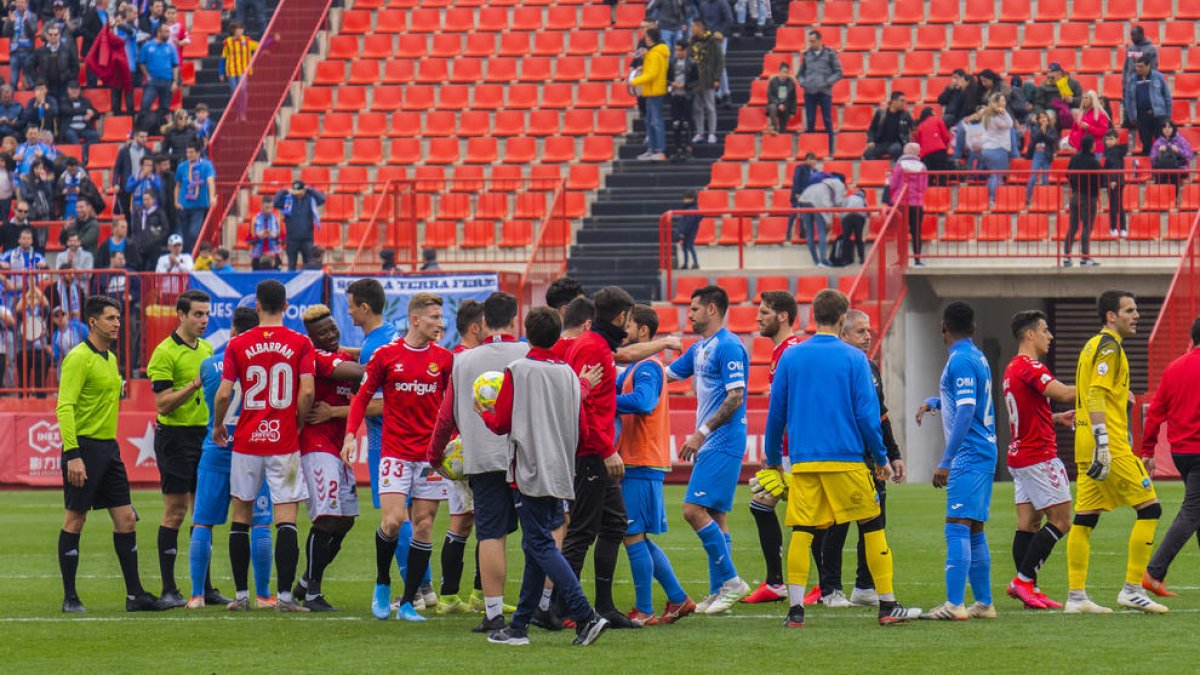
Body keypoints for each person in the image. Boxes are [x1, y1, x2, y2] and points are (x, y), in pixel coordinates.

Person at [764, 289, 915, 627]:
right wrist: (881, 457)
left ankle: (795, 611)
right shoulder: (854, 359)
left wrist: (773, 457)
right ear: (843, 318)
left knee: (802, 531)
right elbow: (867, 415)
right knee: (872, 526)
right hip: (846, 459)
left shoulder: (791, 356)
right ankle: (887, 605)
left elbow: (776, 414)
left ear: (812, 316)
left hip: (804, 462)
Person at [477, 307, 611, 647]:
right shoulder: (568, 374)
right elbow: (581, 426)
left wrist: (484, 414)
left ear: (527, 332)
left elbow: (502, 423)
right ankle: (519, 626)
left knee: (539, 544)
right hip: (561, 467)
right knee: (536, 545)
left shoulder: (518, 370)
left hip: (530, 468)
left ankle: (585, 615)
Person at [343, 293, 453, 623]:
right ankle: (382, 582)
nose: (440, 323)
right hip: (395, 454)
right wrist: (350, 435)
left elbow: (452, 406)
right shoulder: (386, 356)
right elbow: (361, 399)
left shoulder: (444, 359)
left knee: (424, 526)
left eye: (441, 317)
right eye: (434, 317)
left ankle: (407, 603)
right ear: (415, 320)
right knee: (393, 522)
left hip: (430, 457)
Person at [211, 279, 316, 613]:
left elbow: (224, 394)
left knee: (241, 516)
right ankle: (284, 597)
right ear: (286, 306)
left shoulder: (238, 343)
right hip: (284, 441)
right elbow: (308, 391)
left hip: (246, 441)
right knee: (286, 518)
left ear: (256, 306)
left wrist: (218, 424)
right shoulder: (301, 342)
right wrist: (298, 421)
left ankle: (241, 596)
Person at [428, 292, 529, 630]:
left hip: (483, 459)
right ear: (514, 319)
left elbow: (446, 416)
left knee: (490, 535)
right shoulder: (529, 354)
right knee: (538, 534)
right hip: (525, 457)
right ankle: (542, 605)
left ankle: (492, 612)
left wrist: (435, 455)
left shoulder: (463, 361)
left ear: (484, 322)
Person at [1065, 290, 1167, 614]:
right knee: (1150, 509)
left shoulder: (1091, 345)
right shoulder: (1110, 347)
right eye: (1129, 310)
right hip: (1108, 445)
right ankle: (1132, 589)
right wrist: (1103, 442)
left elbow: (1096, 392)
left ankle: (1076, 597)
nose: (1136, 316)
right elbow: (1095, 394)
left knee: (1084, 519)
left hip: (1085, 444)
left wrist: (1123, 401)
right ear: (1111, 316)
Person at [57, 296, 160, 613]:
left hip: (108, 449)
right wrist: (73, 454)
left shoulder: (110, 358)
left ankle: (135, 595)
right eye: (111, 318)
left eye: (118, 318)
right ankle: (70, 598)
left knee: (126, 519)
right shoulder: (78, 358)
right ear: (93, 322)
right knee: (76, 518)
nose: (118, 323)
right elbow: (65, 407)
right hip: (83, 449)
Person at [666, 285, 751, 613]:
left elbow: (735, 397)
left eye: (695, 308)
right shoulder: (700, 347)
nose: (689, 314)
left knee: (693, 510)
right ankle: (720, 591)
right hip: (714, 441)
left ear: (712, 309)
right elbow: (665, 375)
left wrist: (701, 434)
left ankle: (732, 581)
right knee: (716, 514)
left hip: (722, 440)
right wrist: (625, 373)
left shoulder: (728, 345)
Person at [559, 286, 640, 629]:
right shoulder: (593, 348)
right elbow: (584, 406)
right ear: (621, 316)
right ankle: (565, 608)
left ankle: (602, 606)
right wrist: (606, 450)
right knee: (582, 530)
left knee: (614, 523)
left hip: (594, 449)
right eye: (629, 318)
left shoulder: (597, 345)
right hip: (591, 452)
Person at [813, 309, 906, 607]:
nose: (868, 337)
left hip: (872, 459)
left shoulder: (871, 368)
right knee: (837, 524)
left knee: (875, 523)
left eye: (868, 331)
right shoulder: (836, 368)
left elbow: (881, 414)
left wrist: (893, 454)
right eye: (860, 331)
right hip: (845, 456)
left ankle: (865, 586)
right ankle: (830, 589)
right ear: (843, 335)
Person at [185, 306, 274, 609]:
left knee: (202, 522)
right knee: (259, 522)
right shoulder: (265, 363)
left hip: (217, 449)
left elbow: (216, 395)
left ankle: (196, 595)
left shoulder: (208, 365)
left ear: (233, 330)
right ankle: (263, 595)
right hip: (253, 449)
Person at [914, 301, 998, 621]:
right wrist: (934, 402)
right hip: (984, 448)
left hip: (969, 452)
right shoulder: (976, 356)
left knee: (957, 525)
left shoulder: (960, 360)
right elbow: (966, 402)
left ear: (943, 328)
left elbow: (966, 410)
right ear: (973, 328)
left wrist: (946, 460)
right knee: (974, 527)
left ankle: (954, 604)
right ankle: (984, 603)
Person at [617, 305, 695, 624]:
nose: (623, 332)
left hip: (641, 459)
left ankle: (644, 609)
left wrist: (604, 401)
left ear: (643, 331)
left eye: (628, 326)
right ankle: (678, 599)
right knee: (636, 535)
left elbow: (644, 401)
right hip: (638, 459)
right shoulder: (638, 365)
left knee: (632, 534)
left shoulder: (648, 366)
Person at [996, 310, 1075, 612]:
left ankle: (1031, 588)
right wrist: (1106, 391)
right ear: (1030, 334)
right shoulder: (1030, 366)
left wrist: (1055, 418)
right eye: (1045, 330)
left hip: (1021, 455)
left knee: (1028, 524)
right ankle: (1024, 580)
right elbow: (1065, 393)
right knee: (1062, 520)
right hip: (1038, 456)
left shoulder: (1012, 368)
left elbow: (1027, 414)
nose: (1050, 336)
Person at [144, 289, 214, 609]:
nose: (204, 320)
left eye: (206, 314)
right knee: (175, 511)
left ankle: (204, 587)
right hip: (175, 438)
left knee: (204, 513)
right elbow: (163, 404)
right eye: (198, 314)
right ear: (181, 315)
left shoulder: (207, 348)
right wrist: (194, 384)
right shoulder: (164, 353)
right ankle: (169, 588)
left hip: (203, 435)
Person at [293, 304, 364, 612]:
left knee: (346, 520)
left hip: (339, 446)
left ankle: (305, 582)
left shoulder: (341, 354)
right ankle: (312, 594)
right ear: (313, 338)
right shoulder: (317, 357)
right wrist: (394, 358)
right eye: (322, 333)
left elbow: (359, 386)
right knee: (326, 517)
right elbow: (361, 373)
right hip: (316, 445)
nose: (331, 335)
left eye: (333, 328)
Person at [742, 290, 803, 605]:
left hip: (796, 450)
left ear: (783, 316)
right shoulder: (782, 351)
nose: (757, 318)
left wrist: (777, 450)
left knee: (808, 517)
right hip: (788, 449)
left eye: (764, 312)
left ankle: (824, 586)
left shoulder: (791, 352)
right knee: (763, 505)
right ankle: (779, 582)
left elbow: (792, 406)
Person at [1141, 317, 1200, 595]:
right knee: (1192, 511)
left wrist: (1148, 449)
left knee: (1197, 510)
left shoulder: (1174, 367)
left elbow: (1155, 411)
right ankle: (1154, 573)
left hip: (1181, 452)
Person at [798, 30, 841, 157]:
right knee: (810, 120)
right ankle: (811, 150)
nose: (811, 43)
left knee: (827, 120)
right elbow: (800, 74)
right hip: (809, 92)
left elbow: (839, 72)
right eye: (809, 41)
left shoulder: (830, 54)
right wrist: (803, 83)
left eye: (813, 41)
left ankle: (830, 148)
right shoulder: (806, 55)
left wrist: (828, 82)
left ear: (820, 40)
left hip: (824, 92)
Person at [887, 143, 929, 266]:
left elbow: (893, 184)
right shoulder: (922, 167)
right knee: (916, 232)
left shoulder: (900, 166)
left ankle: (901, 259)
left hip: (902, 202)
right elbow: (924, 187)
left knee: (901, 232)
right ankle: (917, 259)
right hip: (917, 203)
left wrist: (888, 178)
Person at [631, 27, 668, 161]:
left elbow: (652, 74)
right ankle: (652, 149)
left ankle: (660, 150)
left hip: (655, 91)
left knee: (656, 122)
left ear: (650, 38)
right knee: (649, 121)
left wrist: (634, 81)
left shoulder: (655, 54)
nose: (644, 39)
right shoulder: (653, 53)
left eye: (646, 36)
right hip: (651, 91)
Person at [1064, 135, 1101, 267]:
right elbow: (1100, 180)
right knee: (1087, 226)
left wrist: (1075, 186)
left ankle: (1066, 256)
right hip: (1089, 198)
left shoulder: (1074, 158)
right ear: (1091, 146)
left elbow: (1067, 174)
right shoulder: (1094, 162)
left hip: (1075, 196)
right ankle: (1085, 257)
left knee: (1072, 227)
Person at [796, 172, 846, 268]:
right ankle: (823, 261)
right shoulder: (840, 184)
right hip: (817, 200)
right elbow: (837, 202)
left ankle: (816, 262)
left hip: (805, 197)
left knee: (809, 232)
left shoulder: (824, 182)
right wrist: (829, 220)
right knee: (822, 231)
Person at [273, 180, 325, 271]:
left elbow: (322, 199)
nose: (297, 195)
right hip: (292, 239)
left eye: (300, 192)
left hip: (307, 239)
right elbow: (275, 202)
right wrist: (284, 191)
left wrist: (309, 190)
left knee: (308, 265)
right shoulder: (288, 200)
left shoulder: (310, 200)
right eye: (295, 192)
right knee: (291, 265)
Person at [1124, 56, 1171, 157]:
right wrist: (1131, 116)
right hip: (1141, 116)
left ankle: (1160, 165)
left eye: (1141, 66)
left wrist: (1167, 116)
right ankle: (1146, 165)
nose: (1138, 69)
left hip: (1158, 115)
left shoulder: (1158, 77)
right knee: (1146, 144)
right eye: (1136, 66)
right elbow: (1128, 99)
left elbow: (1167, 96)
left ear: (1148, 66)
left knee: (1161, 143)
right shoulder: (1132, 79)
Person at [687, 18, 723, 145]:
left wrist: (716, 78)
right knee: (697, 107)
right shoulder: (692, 41)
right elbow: (690, 57)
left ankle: (712, 133)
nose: (691, 28)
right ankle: (700, 132)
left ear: (700, 27)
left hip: (709, 79)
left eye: (693, 26)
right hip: (696, 80)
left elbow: (720, 60)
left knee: (710, 106)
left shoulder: (713, 40)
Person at [174, 142, 216, 249]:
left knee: (193, 233)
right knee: (181, 235)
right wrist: (176, 202)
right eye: (187, 152)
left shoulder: (207, 165)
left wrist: (212, 196)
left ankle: (190, 254)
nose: (188, 155)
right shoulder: (182, 166)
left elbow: (210, 181)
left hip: (198, 206)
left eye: (191, 152)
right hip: (183, 205)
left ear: (198, 152)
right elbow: (178, 185)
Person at [138, 22, 178, 117]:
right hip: (152, 82)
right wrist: (147, 76)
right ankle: (142, 125)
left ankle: (161, 125)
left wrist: (175, 81)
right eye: (166, 32)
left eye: (168, 32)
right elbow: (141, 63)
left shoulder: (170, 47)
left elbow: (175, 65)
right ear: (159, 32)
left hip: (167, 81)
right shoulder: (147, 46)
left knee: (164, 108)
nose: (168, 34)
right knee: (145, 105)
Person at [32, 24, 79, 104]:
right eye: (50, 34)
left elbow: (75, 66)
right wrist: (39, 80)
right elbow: (31, 67)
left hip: (64, 85)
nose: (53, 36)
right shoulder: (40, 51)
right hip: (47, 86)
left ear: (59, 35)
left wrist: (70, 78)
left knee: (63, 108)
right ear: (47, 36)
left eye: (55, 34)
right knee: (50, 108)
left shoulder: (68, 49)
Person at [667, 39, 696, 162]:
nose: (677, 52)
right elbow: (667, 78)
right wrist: (671, 84)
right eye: (676, 50)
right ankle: (678, 148)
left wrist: (686, 85)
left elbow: (696, 81)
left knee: (687, 123)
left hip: (687, 96)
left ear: (686, 50)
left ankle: (688, 148)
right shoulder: (672, 63)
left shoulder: (692, 63)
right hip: (675, 96)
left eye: (680, 50)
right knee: (676, 123)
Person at [864, 92, 913, 161]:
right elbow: (871, 129)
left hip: (896, 143)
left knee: (896, 149)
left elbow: (913, 128)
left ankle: (897, 167)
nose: (904, 103)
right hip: (881, 143)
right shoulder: (881, 113)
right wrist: (871, 140)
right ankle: (878, 167)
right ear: (893, 101)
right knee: (868, 153)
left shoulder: (905, 115)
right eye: (902, 101)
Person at [1024, 110, 1059, 205]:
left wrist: (1044, 133)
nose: (1043, 119)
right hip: (1037, 153)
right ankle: (1028, 198)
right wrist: (1041, 131)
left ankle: (1043, 201)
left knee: (1045, 178)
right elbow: (1034, 139)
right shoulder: (1035, 128)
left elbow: (1052, 140)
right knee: (1033, 176)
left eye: (1044, 117)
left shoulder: (1051, 129)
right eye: (1041, 118)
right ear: (1038, 120)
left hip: (1047, 154)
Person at [3, 0, 38, 90]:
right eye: (18, 2)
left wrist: (26, 22)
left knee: (31, 82)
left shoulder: (32, 16)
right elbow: (5, 33)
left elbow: (33, 31)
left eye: (22, 2)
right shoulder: (12, 15)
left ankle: (33, 98)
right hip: (15, 52)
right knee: (13, 82)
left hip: (28, 53)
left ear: (27, 3)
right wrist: (10, 22)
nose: (20, 4)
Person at [1149, 120, 1194, 188]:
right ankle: (1161, 193)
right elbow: (1152, 159)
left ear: (1173, 128)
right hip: (1162, 167)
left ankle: (1174, 194)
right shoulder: (1158, 142)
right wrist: (1158, 151)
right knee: (1159, 174)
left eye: (1169, 127)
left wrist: (1178, 150)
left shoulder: (1181, 140)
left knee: (1174, 173)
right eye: (1164, 127)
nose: (1167, 129)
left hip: (1178, 167)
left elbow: (1190, 155)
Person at [786, 152, 819, 241]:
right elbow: (796, 180)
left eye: (814, 159)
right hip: (798, 194)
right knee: (793, 214)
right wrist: (797, 193)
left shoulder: (815, 171)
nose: (813, 161)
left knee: (804, 214)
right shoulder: (800, 168)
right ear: (807, 160)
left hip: (808, 197)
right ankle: (788, 234)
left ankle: (802, 233)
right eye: (812, 159)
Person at [1102, 130, 1128, 239]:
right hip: (1113, 180)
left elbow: (1115, 166)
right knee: (1114, 205)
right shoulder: (1109, 151)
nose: (1109, 141)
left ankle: (1119, 228)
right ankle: (1116, 228)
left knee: (1116, 206)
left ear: (1117, 140)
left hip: (1116, 181)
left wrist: (1113, 180)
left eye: (1111, 139)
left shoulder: (1115, 152)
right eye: (1107, 139)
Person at [219, 20, 257, 94]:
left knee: (242, 89)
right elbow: (223, 58)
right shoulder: (227, 42)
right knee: (234, 92)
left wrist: (272, 40)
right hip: (231, 71)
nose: (241, 31)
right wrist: (221, 73)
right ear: (233, 30)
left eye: (242, 29)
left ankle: (244, 102)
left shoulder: (246, 40)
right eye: (239, 29)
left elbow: (260, 45)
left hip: (243, 70)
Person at [1068, 91, 1111, 155]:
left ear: (1092, 100)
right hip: (1081, 149)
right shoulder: (1080, 115)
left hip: (1096, 150)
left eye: (1086, 98)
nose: (1084, 100)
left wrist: (1088, 127)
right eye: (1083, 98)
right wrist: (1071, 140)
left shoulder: (1101, 114)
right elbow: (1074, 129)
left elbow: (1104, 131)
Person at [913, 107, 951, 177]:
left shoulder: (920, 126)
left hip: (925, 155)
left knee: (929, 178)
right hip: (939, 151)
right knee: (941, 177)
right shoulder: (937, 120)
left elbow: (919, 143)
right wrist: (944, 146)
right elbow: (946, 137)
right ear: (931, 112)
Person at [1122, 25, 1158, 96]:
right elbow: (1126, 68)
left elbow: (1153, 69)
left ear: (1141, 34)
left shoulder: (1151, 49)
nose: (1132, 37)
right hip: (1130, 87)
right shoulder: (1130, 48)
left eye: (1133, 35)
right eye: (1131, 35)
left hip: (1144, 87)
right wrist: (1124, 85)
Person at [249, 195, 282, 269]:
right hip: (258, 253)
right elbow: (250, 238)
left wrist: (273, 235)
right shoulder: (255, 219)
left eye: (271, 208)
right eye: (266, 207)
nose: (269, 210)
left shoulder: (276, 219)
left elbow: (281, 237)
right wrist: (259, 235)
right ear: (261, 206)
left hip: (274, 253)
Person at [672, 190, 700, 269]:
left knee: (690, 246)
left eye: (687, 198)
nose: (685, 200)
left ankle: (695, 263)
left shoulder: (692, 209)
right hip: (687, 230)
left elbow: (688, 223)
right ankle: (686, 263)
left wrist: (682, 232)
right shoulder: (688, 208)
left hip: (690, 231)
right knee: (684, 246)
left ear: (693, 199)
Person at [766, 62, 797, 135]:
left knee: (783, 132)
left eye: (787, 72)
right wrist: (779, 104)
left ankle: (780, 133)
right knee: (772, 106)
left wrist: (792, 112)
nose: (785, 74)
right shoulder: (773, 81)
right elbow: (770, 96)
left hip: (786, 108)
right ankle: (774, 128)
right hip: (775, 106)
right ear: (779, 72)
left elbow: (793, 99)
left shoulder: (791, 83)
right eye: (783, 72)